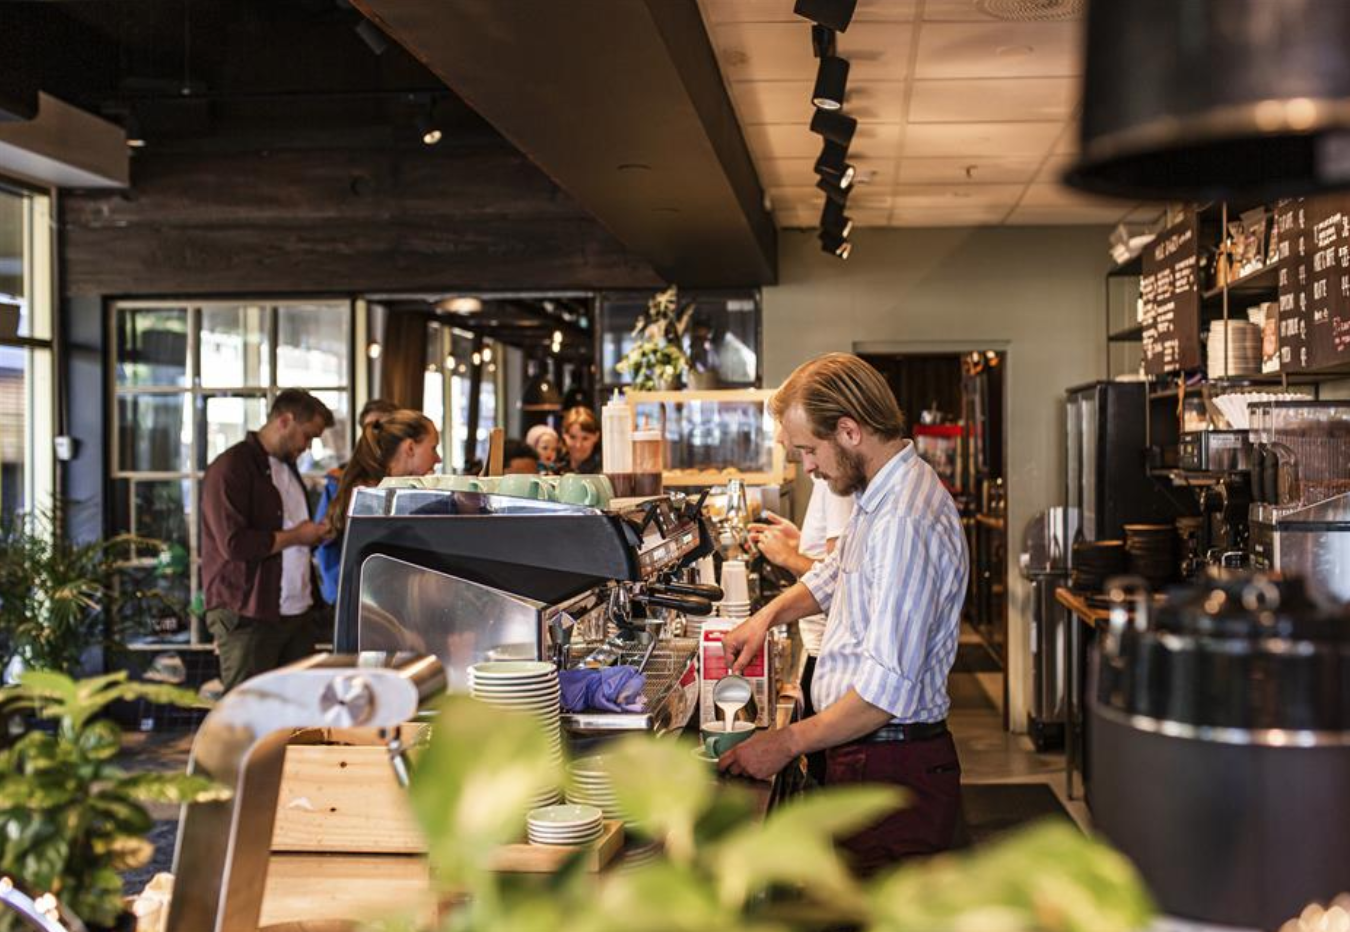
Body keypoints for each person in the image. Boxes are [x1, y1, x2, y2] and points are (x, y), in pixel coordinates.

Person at [720, 353, 968, 874]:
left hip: (892, 768)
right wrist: (764, 618)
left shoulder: (904, 519)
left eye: (809, 450)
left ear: (850, 431)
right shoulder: (882, 496)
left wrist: (783, 743)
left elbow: (883, 694)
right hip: (869, 757)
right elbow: (835, 574)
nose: (807, 466)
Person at [200, 389, 335, 693]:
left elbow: (290, 533)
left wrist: (315, 536)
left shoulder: (286, 469)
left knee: (301, 712)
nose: (307, 446)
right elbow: (234, 545)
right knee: (249, 716)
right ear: (285, 420)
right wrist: (298, 536)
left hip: (296, 611)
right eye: (307, 436)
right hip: (247, 612)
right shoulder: (231, 466)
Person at [748, 476, 854, 782]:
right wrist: (799, 542)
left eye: (782, 426)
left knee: (826, 780)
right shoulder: (825, 480)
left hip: (829, 654)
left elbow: (843, 579)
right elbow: (834, 561)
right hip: (821, 650)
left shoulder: (836, 483)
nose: (780, 437)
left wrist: (788, 557)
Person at [314, 398, 400, 605]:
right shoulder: (340, 481)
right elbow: (326, 541)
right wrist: (340, 592)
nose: (377, 435)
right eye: (372, 427)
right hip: (353, 593)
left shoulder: (407, 481)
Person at [322, 410, 442, 548]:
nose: (438, 459)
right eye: (433, 448)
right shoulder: (373, 500)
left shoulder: (377, 490)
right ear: (410, 448)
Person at [558, 405, 602, 474]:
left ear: (596, 436)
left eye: (585, 438)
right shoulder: (555, 469)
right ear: (564, 435)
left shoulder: (603, 474)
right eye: (572, 437)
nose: (578, 445)